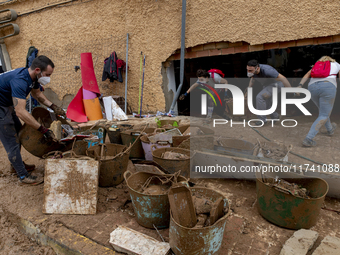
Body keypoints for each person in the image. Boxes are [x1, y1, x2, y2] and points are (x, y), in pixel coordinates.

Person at [0, 55, 66, 185]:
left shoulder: (32, 77)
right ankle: (23, 176)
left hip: (6, 104)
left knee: (20, 133)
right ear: (37, 70)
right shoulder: (20, 80)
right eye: (47, 74)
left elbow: (37, 94)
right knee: (12, 140)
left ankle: (16, 166)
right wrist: (43, 129)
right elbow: (20, 111)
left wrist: (53, 107)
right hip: (1, 107)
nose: (48, 78)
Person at [298, 56, 339, 147]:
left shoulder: (316, 65)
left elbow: (307, 75)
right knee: (324, 114)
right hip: (328, 86)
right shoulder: (336, 64)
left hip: (312, 88)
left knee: (323, 111)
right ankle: (308, 139)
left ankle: (330, 130)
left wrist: (300, 86)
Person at [246, 59, 292, 126]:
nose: (248, 72)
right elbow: (253, 78)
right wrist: (249, 89)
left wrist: (290, 90)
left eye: (250, 70)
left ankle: (262, 120)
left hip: (276, 85)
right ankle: (275, 116)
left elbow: (283, 78)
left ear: (257, 68)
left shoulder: (268, 70)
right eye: (247, 69)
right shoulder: (253, 71)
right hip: (266, 85)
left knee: (260, 97)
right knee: (265, 102)